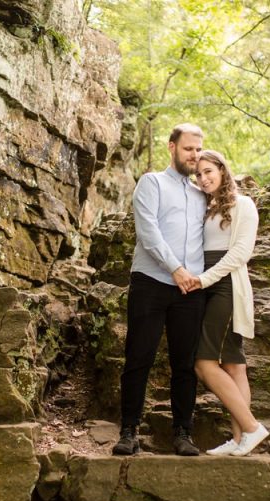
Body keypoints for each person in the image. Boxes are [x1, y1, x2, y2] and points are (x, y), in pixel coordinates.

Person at [112, 124, 207, 456]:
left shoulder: (201, 194)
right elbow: (148, 231)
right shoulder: (151, 182)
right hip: (151, 282)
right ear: (171, 148)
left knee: (185, 363)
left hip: (190, 290)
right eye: (188, 149)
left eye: (198, 149)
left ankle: (183, 433)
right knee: (139, 358)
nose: (194, 155)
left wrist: (197, 276)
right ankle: (128, 431)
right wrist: (175, 269)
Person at [183, 149, 269, 456]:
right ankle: (239, 440)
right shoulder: (206, 208)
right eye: (199, 174)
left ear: (222, 169)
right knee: (234, 366)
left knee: (204, 364)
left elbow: (240, 254)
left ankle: (251, 427)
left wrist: (204, 279)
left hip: (226, 287)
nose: (204, 178)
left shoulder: (243, 204)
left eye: (209, 171)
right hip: (208, 286)